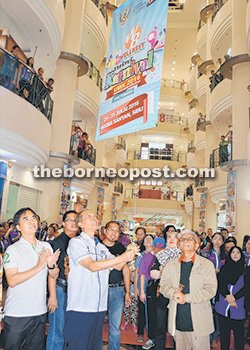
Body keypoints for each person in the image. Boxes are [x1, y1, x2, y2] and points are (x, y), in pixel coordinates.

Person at [63, 209, 136, 350]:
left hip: (99, 306)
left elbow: (118, 266)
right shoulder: (76, 243)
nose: (94, 218)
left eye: (95, 216)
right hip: (81, 305)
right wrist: (122, 257)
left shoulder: (101, 247)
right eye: (89, 216)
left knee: (94, 345)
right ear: (80, 223)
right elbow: (91, 266)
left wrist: (129, 253)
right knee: (78, 345)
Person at [3, 207, 60, 350]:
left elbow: (53, 275)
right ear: (18, 227)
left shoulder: (46, 246)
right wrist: (39, 267)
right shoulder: (13, 249)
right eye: (26, 219)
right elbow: (12, 280)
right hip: (17, 313)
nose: (31, 221)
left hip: (39, 311)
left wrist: (52, 266)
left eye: (34, 218)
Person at [160, 230, 217, 350]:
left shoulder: (206, 265)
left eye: (189, 239)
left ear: (197, 245)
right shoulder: (171, 264)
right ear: (179, 245)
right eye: (182, 239)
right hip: (178, 320)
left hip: (199, 321)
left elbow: (210, 290)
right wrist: (173, 293)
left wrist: (186, 298)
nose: (185, 241)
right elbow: (164, 285)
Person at [46, 210, 78, 350]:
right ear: (63, 223)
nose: (73, 223)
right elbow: (51, 271)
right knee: (56, 330)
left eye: (76, 220)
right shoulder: (58, 242)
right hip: (60, 289)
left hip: (75, 290)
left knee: (70, 329)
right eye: (70, 220)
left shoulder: (79, 241)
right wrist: (53, 296)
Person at [102, 221, 131, 350]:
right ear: (104, 230)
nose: (114, 233)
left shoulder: (121, 248)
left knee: (115, 326)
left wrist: (128, 292)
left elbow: (126, 269)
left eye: (117, 231)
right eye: (111, 229)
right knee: (96, 323)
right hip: (99, 289)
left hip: (117, 289)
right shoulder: (97, 247)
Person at [151, 230, 181, 350]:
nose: (172, 239)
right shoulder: (160, 255)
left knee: (178, 328)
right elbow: (152, 273)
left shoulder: (184, 255)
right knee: (160, 326)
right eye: (169, 237)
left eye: (175, 237)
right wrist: (161, 273)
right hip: (162, 294)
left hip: (179, 294)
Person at [215, 246, 246, 350]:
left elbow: (247, 288)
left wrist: (234, 298)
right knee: (224, 337)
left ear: (241, 255)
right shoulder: (224, 268)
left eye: (238, 252)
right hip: (223, 307)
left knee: (239, 338)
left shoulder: (246, 270)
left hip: (238, 307)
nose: (235, 254)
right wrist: (228, 296)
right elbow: (220, 283)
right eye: (233, 252)